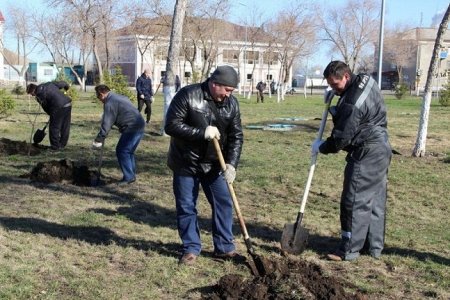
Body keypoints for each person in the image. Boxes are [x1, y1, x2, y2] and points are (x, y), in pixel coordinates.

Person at [312, 61, 392, 261]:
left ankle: (349, 249)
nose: (333, 88)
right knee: (373, 200)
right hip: (382, 148)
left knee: (354, 199)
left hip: (366, 151)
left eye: (335, 85)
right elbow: (354, 103)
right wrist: (338, 96)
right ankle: (373, 247)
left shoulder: (351, 103)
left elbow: (341, 139)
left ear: (346, 76)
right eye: (330, 85)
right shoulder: (365, 79)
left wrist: (321, 146)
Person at [164, 65, 244, 266]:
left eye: (231, 92)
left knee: (223, 203)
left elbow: (236, 136)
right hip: (186, 163)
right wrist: (202, 133)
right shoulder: (188, 95)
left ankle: (224, 247)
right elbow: (171, 125)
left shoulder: (231, 104)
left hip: (215, 165)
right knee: (186, 206)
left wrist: (231, 164)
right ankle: (190, 247)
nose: (228, 95)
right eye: (227, 90)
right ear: (215, 83)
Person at [92, 84, 145, 185]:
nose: (99, 99)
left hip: (132, 126)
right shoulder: (119, 97)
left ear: (102, 94)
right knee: (128, 151)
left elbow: (107, 123)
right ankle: (131, 175)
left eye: (98, 96)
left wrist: (100, 138)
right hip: (139, 123)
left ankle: (129, 177)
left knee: (122, 151)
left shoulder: (110, 102)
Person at [26, 81, 72, 151]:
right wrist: (66, 88)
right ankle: (62, 145)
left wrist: (52, 115)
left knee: (54, 128)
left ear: (32, 91)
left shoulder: (39, 95)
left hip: (57, 107)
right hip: (68, 104)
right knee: (65, 126)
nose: (32, 96)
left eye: (31, 94)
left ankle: (55, 147)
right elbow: (63, 83)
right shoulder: (48, 84)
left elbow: (45, 107)